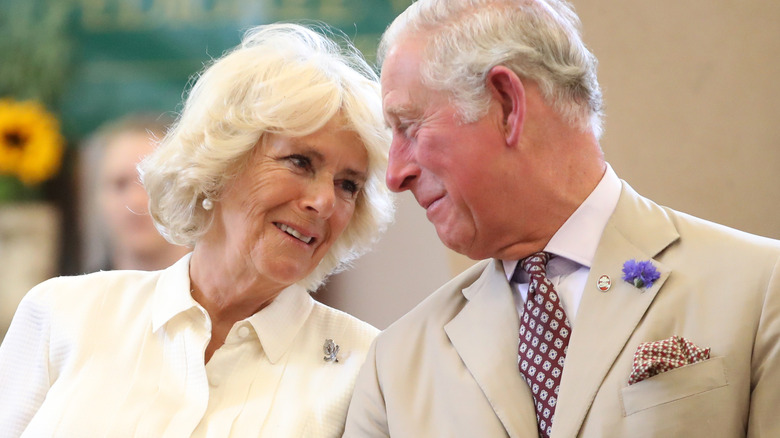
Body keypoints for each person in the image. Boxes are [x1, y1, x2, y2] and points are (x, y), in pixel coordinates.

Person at [343, 0, 780, 437]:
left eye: (410, 127)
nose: (396, 175)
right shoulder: (393, 367)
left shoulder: (760, 289)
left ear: (508, 104)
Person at [0, 22, 394, 437]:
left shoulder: (366, 365)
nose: (325, 201)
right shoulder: (65, 313)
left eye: (348, 184)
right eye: (300, 162)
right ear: (223, 163)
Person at [79, 113, 190, 272]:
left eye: (153, 183)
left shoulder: (227, 295)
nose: (135, 201)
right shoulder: (75, 295)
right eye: (120, 184)